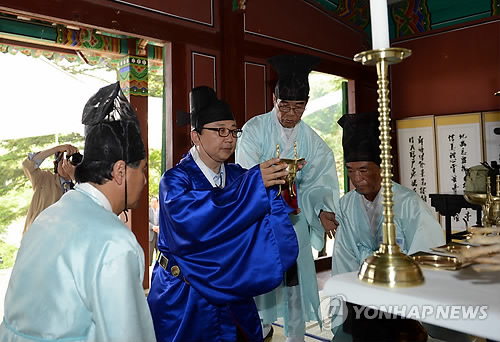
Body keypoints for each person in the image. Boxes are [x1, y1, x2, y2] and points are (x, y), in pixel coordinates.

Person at [0, 82, 156, 342]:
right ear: (120, 172)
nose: (145, 180)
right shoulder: (115, 242)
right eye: (141, 169)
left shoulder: (49, 217)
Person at [147, 86, 300, 342]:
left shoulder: (239, 175)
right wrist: (253, 188)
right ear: (196, 136)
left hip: (231, 285)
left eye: (233, 131)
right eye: (220, 130)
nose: (229, 138)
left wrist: (281, 185)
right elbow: (195, 222)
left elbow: (264, 218)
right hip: (185, 292)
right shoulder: (174, 181)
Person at [235, 54, 340, 342]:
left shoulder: (312, 140)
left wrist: (320, 210)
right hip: (262, 223)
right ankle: (258, 333)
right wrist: (277, 173)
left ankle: (296, 337)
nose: (291, 114)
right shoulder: (254, 130)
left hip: (293, 226)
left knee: (293, 289)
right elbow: (245, 175)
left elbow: (319, 183)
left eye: (298, 107)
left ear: (305, 106)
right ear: (273, 99)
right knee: (259, 285)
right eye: (285, 106)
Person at [332, 111, 445, 275]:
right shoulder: (346, 204)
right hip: (361, 283)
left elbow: (427, 251)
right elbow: (343, 256)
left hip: (402, 283)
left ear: (381, 168)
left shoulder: (408, 203)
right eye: (350, 171)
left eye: (363, 170)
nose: (356, 178)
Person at [22, 143, 81, 235]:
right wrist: (58, 148)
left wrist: (74, 177)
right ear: (55, 163)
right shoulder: (44, 179)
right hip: (37, 239)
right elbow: (29, 164)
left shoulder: (80, 186)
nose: (67, 165)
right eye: (64, 161)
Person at [149, 195, 160, 265]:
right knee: (150, 252)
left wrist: (159, 227)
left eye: (154, 202)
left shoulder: (161, 210)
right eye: (152, 202)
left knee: (159, 252)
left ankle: (158, 267)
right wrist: (153, 227)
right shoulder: (148, 210)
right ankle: (149, 266)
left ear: (157, 202)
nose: (153, 204)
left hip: (159, 234)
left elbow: (163, 220)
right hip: (151, 234)